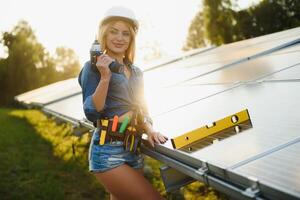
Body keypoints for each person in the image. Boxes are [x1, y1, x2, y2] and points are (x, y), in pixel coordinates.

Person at [78, 6, 168, 200]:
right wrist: (105, 77)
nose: (120, 38)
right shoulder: (92, 68)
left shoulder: (136, 72)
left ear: (131, 38)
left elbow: (142, 109)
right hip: (108, 152)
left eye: (125, 33)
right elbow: (92, 112)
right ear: (104, 34)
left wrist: (150, 129)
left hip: (133, 149)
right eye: (114, 31)